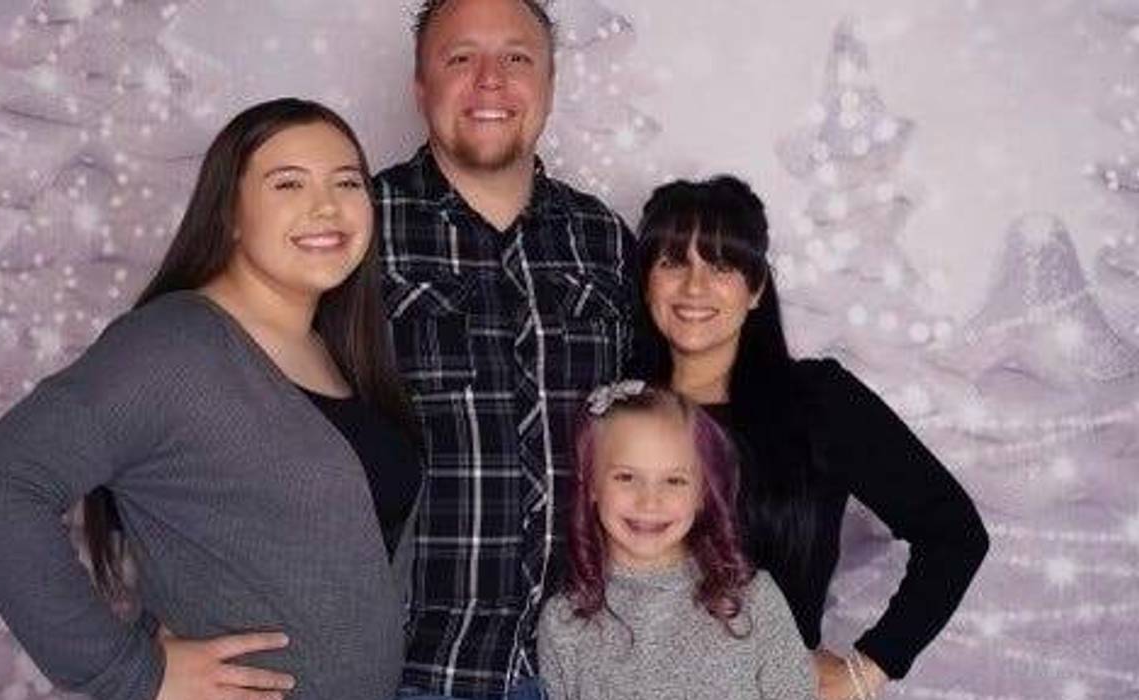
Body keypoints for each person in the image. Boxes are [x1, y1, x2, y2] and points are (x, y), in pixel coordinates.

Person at [0, 98, 421, 700]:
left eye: (347, 182)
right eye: (288, 183)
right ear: (232, 215)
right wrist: (133, 673)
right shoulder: (172, 348)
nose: (326, 206)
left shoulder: (335, 349)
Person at [634, 175, 989, 699]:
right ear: (645, 282)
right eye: (672, 262)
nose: (694, 286)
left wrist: (868, 669)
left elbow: (954, 532)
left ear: (755, 289)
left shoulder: (818, 402)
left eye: (722, 265)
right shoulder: (615, 408)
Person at [376, 0, 638, 696]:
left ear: (548, 84)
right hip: (413, 673)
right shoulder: (351, 228)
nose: (489, 80)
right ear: (419, 86)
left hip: (583, 673)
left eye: (516, 58)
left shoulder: (605, 241)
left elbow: (669, 434)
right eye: (459, 58)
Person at [537, 382, 814, 700]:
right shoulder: (564, 622)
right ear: (591, 485)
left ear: (702, 493)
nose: (649, 501)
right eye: (626, 477)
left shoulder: (753, 598)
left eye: (674, 480)